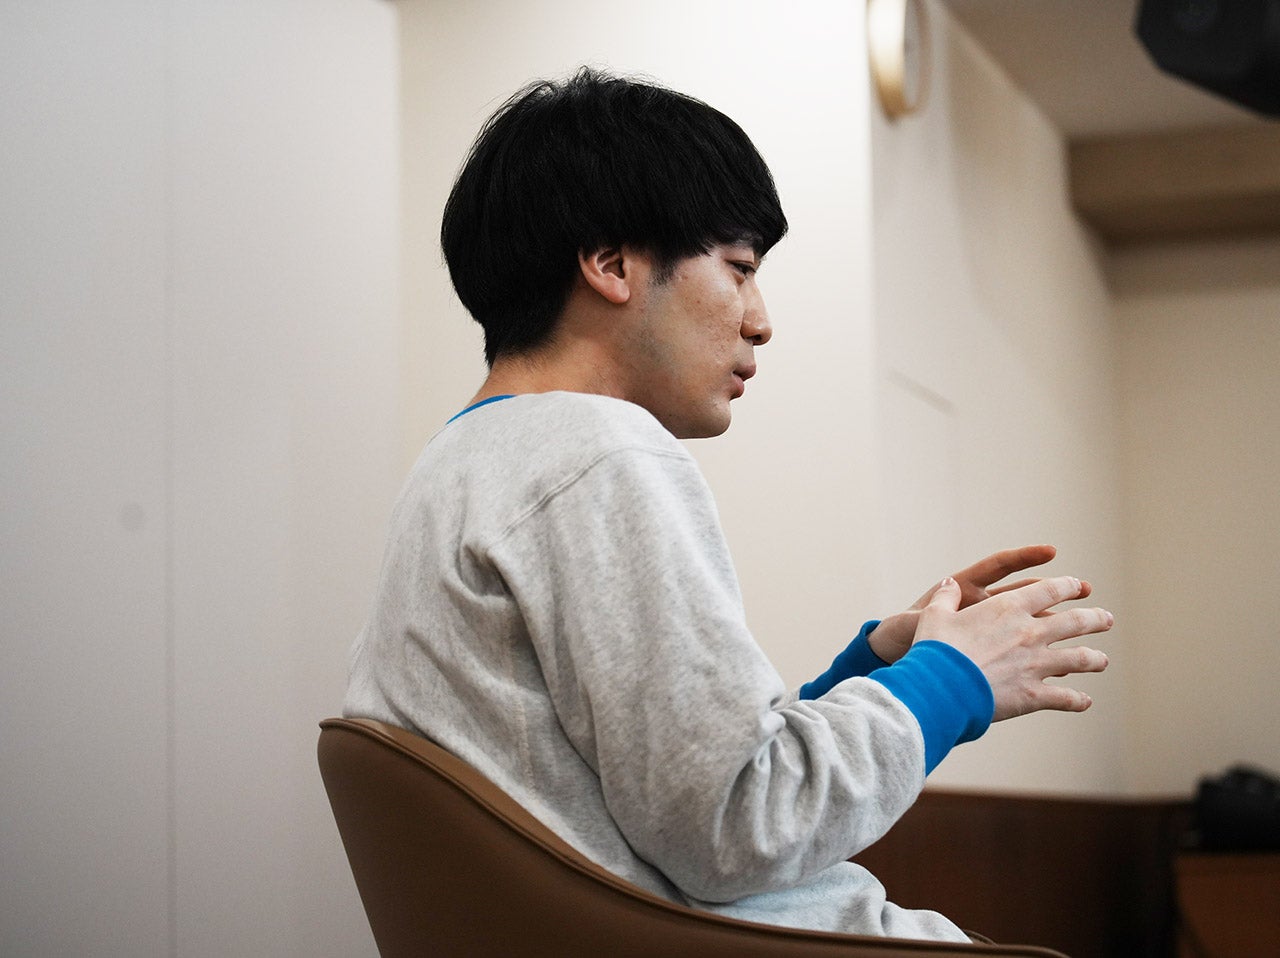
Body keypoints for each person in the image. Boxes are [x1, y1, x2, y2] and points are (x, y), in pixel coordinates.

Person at [344, 67, 1113, 942]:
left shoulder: (462, 463)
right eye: (739, 268)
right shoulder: (597, 454)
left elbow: (675, 796)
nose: (760, 320)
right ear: (610, 263)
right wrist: (951, 681)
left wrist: (875, 672)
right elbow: (741, 829)